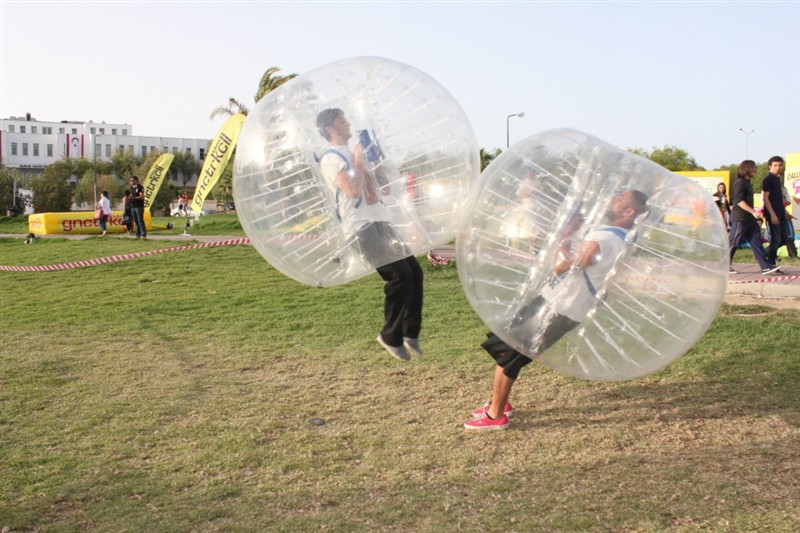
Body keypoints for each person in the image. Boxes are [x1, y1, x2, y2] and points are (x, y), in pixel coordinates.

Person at [464, 190, 649, 430]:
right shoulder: (619, 237)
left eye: (620, 199)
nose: (613, 199)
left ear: (629, 211)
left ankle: (495, 415)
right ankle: (500, 402)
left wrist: (565, 237)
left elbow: (562, 266)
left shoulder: (604, 239)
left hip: (560, 307)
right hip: (553, 299)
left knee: (510, 354)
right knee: (507, 344)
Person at [316, 108, 424, 362]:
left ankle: (409, 332)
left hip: (380, 219)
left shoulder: (358, 152)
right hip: (360, 227)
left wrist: (376, 163)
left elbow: (384, 189)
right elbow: (353, 190)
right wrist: (357, 161)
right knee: (400, 275)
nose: (348, 123)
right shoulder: (330, 158)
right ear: (330, 128)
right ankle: (390, 335)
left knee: (414, 273)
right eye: (342, 120)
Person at [729, 160, 780, 275]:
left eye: (755, 167)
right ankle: (724, 265)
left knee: (756, 242)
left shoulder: (748, 183)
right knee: (733, 242)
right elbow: (739, 202)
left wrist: (753, 213)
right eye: (753, 167)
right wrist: (753, 212)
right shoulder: (739, 183)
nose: (755, 170)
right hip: (740, 218)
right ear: (745, 168)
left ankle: (765, 266)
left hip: (749, 219)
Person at [762, 156, 791, 267]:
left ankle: (764, 253)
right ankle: (770, 263)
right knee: (776, 239)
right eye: (775, 165)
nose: (778, 167)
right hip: (773, 214)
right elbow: (766, 198)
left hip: (781, 213)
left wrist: (785, 213)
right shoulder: (768, 179)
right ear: (770, 166)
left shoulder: (777, 179)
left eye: (780, 165)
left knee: (784, 239)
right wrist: (773, 214)